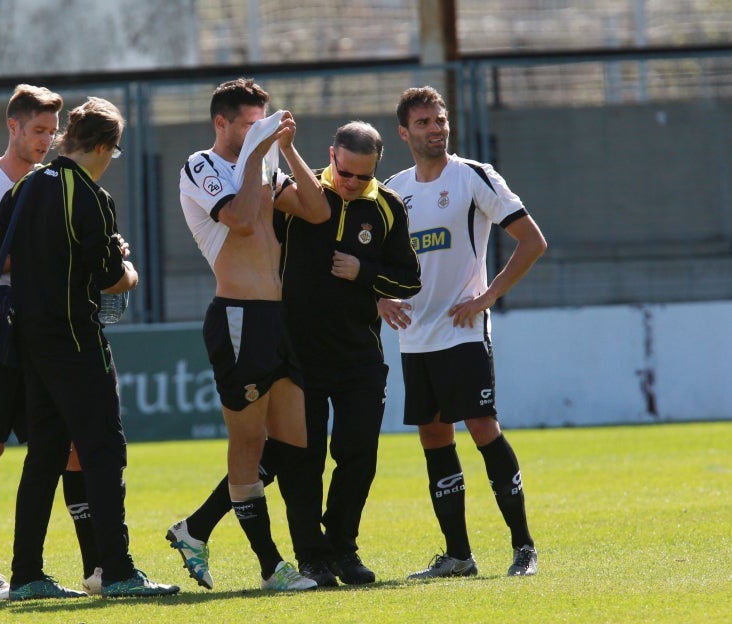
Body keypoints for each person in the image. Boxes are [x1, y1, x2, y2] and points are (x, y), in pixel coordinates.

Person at [169, 121, 421, 589]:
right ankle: (312, 558)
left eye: (362, 178)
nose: (351, 185)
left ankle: (344, 547)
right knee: (300, 459)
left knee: (359, 453)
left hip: (360, 353)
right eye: (344, 174)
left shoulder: (387, 207)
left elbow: (408, 280)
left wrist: (364, 274)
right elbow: (253, 246)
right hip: (297, 350)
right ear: (331, 157)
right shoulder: (295, 199)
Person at [0, 96, 178, 599]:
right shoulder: (91, 196)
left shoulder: (25, 186)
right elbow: (108, 278)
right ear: (100, 146)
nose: (109, 160)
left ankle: (27, 574)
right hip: (76, 338)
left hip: (30, 340)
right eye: (113, 152)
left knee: (45, 456)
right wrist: (128, 269)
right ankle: (117, 570)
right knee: (104, 451)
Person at [380, 86, 546, 579]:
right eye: (425, 122)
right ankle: (458, 556)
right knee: (433, 436)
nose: (437, 128)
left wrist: (485, 298)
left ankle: (523, 547)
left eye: (441, 119)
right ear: (404, 132)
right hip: (415, 337)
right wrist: (378, 298)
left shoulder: (474, 177)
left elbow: (532, 241)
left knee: (481, 428)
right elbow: (373, 261)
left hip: (464, 333)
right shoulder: (393, 189)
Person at [0, 84, 100, 600]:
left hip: (51, 334)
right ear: (13, 127)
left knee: (72, 450)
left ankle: (95, 566)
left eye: (53, 132)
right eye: (38, 131)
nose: (46, 141)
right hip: (1, 340)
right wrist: (20, 261)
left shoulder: (59, 181)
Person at [174, 77, 329, 591]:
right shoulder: (203, 165)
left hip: (276, 319)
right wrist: (259, 152)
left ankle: (195, 528)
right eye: (249, 122)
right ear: (222, 123)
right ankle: (270, 567)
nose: (258, 129)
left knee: (291, 447)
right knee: (248, 442)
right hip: (238, 315)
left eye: (262, 120)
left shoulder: (263, 164)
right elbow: (239, 221)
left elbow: (318, 210)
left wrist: (286, 148)